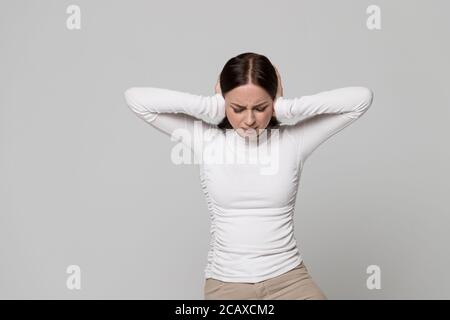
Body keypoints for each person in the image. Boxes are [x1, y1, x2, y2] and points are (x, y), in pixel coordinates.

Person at [123, 52, 374, 299]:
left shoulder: (293, 141)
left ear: (273, 103)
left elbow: (361, 99)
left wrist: (287, 108)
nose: (250, 120)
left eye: (261, 108)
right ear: (224, 103)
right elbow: (136, 99)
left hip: (289, 280)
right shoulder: (206, 140)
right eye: (238, 108)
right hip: (227, 285)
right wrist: (211, 106)